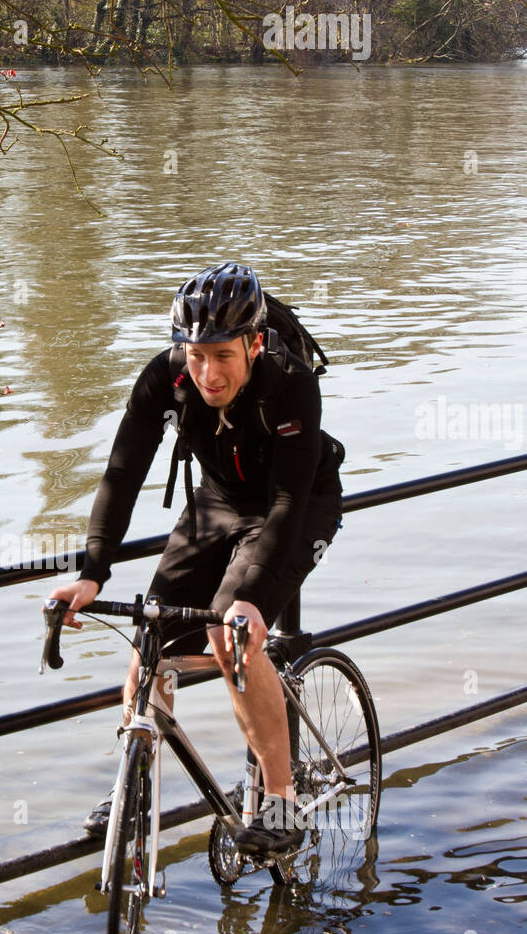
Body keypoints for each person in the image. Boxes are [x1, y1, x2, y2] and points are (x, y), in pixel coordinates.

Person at [48, 262, 344, 856]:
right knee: (152, 637)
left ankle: (282, 803)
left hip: (297, 504)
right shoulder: (167, 378)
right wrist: (92, 572)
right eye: (195, 355)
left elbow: (286, 501)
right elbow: (123, 471)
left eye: (223, 358)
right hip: (218, 503)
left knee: (229, 636)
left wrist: (254, 602)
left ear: (254, 345)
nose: (207, 373)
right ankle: (134, 783)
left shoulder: (290, 384)